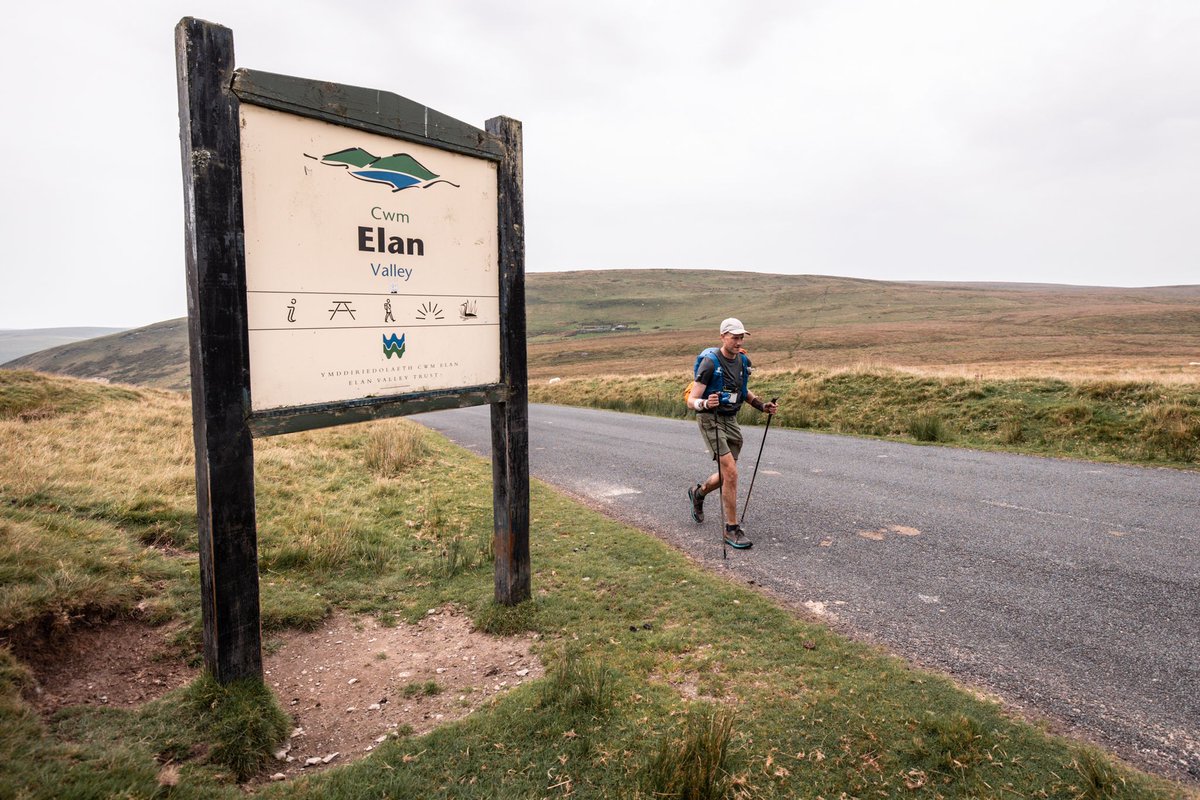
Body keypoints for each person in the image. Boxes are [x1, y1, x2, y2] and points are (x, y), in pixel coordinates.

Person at [686, 318, 778, 550]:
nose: (738, 342)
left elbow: (743, 391)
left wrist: (761, 406)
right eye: (734, 337)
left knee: (727, 474)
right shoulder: (709, 363)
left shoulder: (743, 361)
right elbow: (691, 400)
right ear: (722, 337)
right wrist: (706, 403)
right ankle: (731, 529)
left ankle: (698, 493)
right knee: (732, 473)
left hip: (731, 419)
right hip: (711, 419)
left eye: (741, 337)